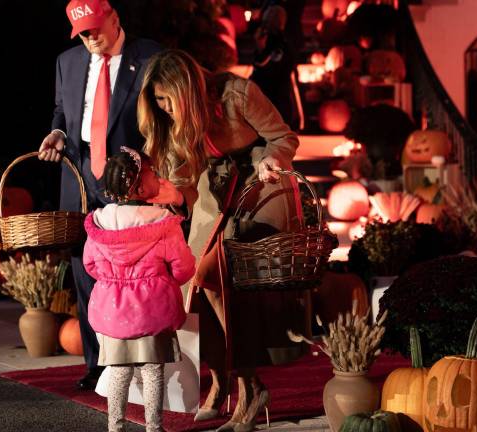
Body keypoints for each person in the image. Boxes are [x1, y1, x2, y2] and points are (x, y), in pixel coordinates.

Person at [137, 49, 310, 432]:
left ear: (188, 91)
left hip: (259, 182)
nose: (164, 108)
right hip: (213, 187)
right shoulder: (172, 120)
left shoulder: (238, 94)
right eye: (158, 101)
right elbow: (177, 172)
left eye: (168, 99)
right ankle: (222, 383)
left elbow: (283, 137)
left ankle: (250, 390)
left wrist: (271, 160)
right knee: (199, 281)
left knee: (225, 277)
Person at [38, 0, 162, 390]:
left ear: (115, 18)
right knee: (85, 271)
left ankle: (140, 363)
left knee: (134, 271)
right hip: (79, 178)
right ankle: (98, 365)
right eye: (83, 33)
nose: (91, 38)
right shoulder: (67, 61)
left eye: (95, 28)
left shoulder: (149, 56)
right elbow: (63, 110)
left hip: (128, 176)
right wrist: (57, 132)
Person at [82, 148, 195, 432]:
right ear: (141, 184)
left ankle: (115, 426)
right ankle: (153, 428)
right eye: (153, 173)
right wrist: (168, 280)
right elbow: (183, 267)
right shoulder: (162, 222)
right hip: (153, 308)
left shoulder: (100, 223)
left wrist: (112, 279)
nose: (157, 176)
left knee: (119, 370)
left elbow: (90, 265)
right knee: (153, 371)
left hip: (113, 311)